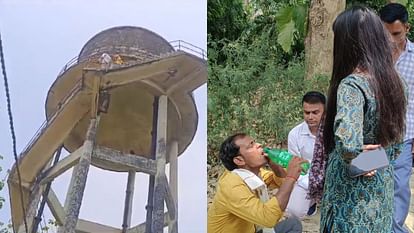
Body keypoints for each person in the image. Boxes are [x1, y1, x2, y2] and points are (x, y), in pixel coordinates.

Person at [320, 6, 407, 232]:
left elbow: (348, 145)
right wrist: (372, 161)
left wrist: (357, 164)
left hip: (350, 197)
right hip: (380, 188)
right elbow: (396, 147)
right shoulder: (396, 83)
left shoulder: (352, 85)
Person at [207, 133, 305, 233]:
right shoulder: (231, 185)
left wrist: (274, 164)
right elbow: (268, 218)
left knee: (293, 225)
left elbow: (281, 183)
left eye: (255, 142)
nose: (258, 145)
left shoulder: (253, 174)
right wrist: (291, 176)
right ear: (239, 160)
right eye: (251, 146)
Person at [380, 4, 414, 232]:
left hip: (404, 139)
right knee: (373, 181)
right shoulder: (372, 57)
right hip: (374, 141)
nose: (391, 40)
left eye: (396, 34)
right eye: (385, 34)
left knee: (399, 187)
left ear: (407, 28)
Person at [286, 91, 325, 218]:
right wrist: (311, 184)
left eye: (315, 112)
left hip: (333, 176)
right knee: (293, 211)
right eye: (307, 112)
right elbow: (295, 166)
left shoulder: (335, 130)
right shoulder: (295, 134)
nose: (310, 117)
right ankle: (311, 202)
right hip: (307, 179)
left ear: (325, 111)